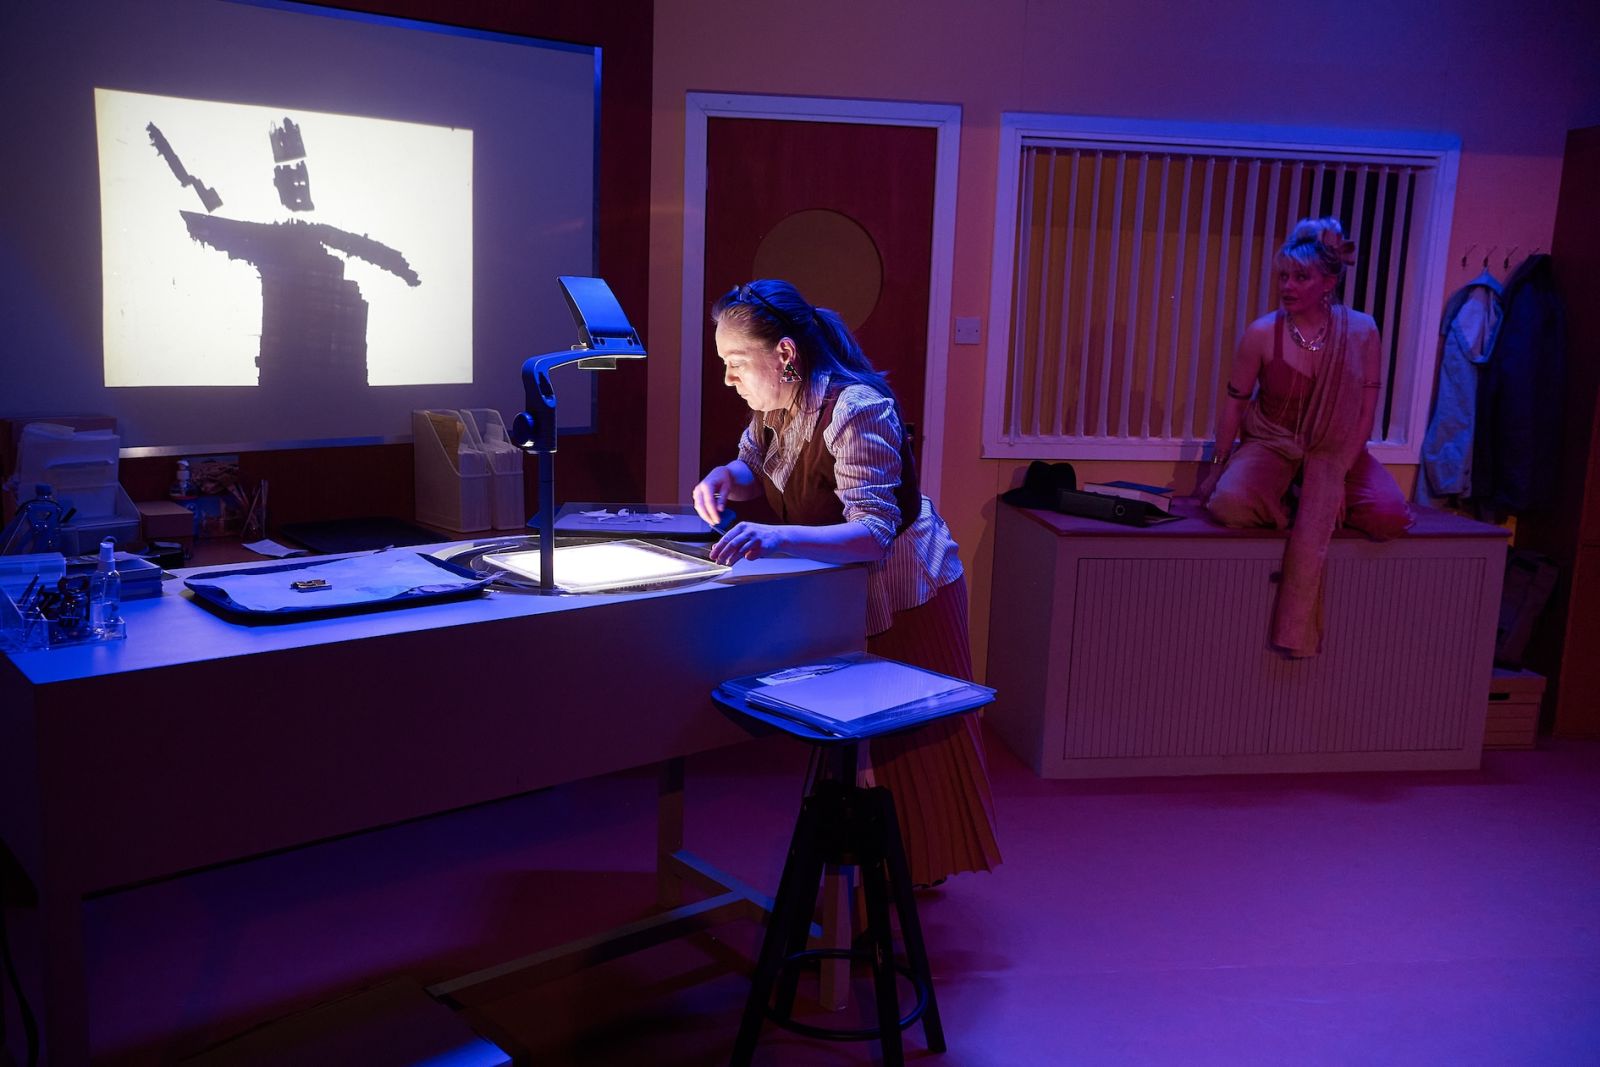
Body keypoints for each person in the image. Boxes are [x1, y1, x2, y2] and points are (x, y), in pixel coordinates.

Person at [693, 279, 1001, 888]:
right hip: (849, 590)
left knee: (908, 742)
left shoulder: (856, 407)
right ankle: (875, 883)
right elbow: (756, 468)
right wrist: (724, 476)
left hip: (910, 589)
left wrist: (775, 537)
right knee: (857, 751)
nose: (728, 379)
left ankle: (908, 878)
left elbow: (871, 532)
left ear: (784, 353)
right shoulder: (776, 406)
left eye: (734, 363)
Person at [1195, 217, 1414, 656]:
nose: (1288, 286)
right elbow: (1236, 404)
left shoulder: (1361, 330)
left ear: (1328, 282)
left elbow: (1366, 410)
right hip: (1273, 441)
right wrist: (1214, 468)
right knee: (1230, 504)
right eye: (1283, 276)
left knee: (1389, 516)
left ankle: (1312, 494)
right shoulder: (1262, 332)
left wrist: (1335, 477)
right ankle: (1297, 499)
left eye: (1300, 277)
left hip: (1337, 449)